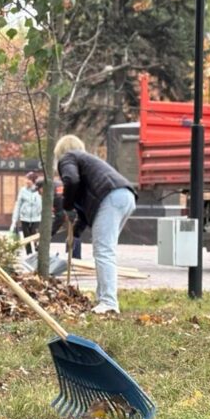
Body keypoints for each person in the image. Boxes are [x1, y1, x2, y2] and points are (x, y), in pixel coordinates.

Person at [55, 135, 136, 314]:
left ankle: (108, 303)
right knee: (105, 249)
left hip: (111, 197)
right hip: (125, 196)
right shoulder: (87, 163)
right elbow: (87, 206)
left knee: (104, 251)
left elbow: (71, 180)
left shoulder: (68, 157)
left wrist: (67, 206)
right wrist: (76, 232)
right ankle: (102, 298)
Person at [10, 171, 42, 254]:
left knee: (35, 236)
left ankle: (37, 251)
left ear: (33, 181)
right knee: (26, 238)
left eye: (29, 179)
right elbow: (18, 205)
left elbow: (43, 204)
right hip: (25, 218)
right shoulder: (22, 190)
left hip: (36, 218)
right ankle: (29, 254)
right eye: (26, 179)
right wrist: (14, 219)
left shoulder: (39, 191)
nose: (27, 181)